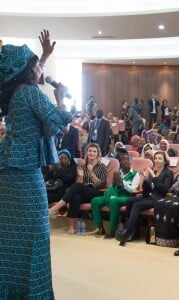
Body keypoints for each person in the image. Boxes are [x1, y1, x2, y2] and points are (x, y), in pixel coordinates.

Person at [0, 30, 71, 299]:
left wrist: (44, 56)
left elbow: (30, 75)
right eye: (35, 63)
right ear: (26, 71)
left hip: (8, 171)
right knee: (36, 234)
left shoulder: (17, 92)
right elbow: (55, 119)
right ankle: (33, 293)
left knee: (10, 237)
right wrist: (62, 97)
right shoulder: (30, 93)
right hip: (25, 173)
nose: (39, 67)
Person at [116, 151, 173, 245]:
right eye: (156, 158)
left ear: (165, 161)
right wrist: (145, 179)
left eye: (160, 158)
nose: (157, 160)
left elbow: (164, 190)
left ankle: (128, 231)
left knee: (137, 205)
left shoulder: (168, 173)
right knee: (130, 200)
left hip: (159, 199)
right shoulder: (153, 171)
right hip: (148, 197)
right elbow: (147, 191)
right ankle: (134, 231)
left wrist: (154, 176)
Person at [49, 143, 107, 233]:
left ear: (98, 154)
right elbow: (78, 183)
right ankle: (72, 227)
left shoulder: (102, 167)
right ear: (87, 152)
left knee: (78, 187)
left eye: (94, 151)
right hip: (83, 190)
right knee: (76, 197)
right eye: (90, 151)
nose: (92, 153)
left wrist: (91, 172)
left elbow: (100, 184)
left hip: (96, 192)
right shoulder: (82, 166)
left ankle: (56, 208)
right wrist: (80, 176)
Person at [91, 150, 140, 238]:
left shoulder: (135, 174)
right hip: (114, 195)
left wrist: (121, 181)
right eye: (123, 160)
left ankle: (112, 230)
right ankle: (100, 228)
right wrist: (113, 183)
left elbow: (133, 190)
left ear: (130, 161)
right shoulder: (118, 172)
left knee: (113, 201)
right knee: (95, 201)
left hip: (127, 197)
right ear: (120, 162)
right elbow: (111, 187)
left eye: (127, 159)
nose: (126, 161)